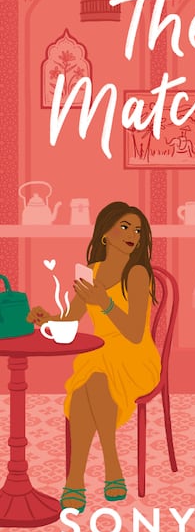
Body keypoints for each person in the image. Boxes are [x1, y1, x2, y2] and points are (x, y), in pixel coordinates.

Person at [28, 202, 162, 513]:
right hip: (101, 353)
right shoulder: (92, 272)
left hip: (135, 357)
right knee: (89, 382)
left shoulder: (138, 273)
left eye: (138, 230)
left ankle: (77, 480)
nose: (133, 235)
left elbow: (133, 333)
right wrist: (46, 318)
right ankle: (109, 471)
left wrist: (105, 303)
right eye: (125, 227)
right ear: (105, 233)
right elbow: (71, 318)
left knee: (93, 379)